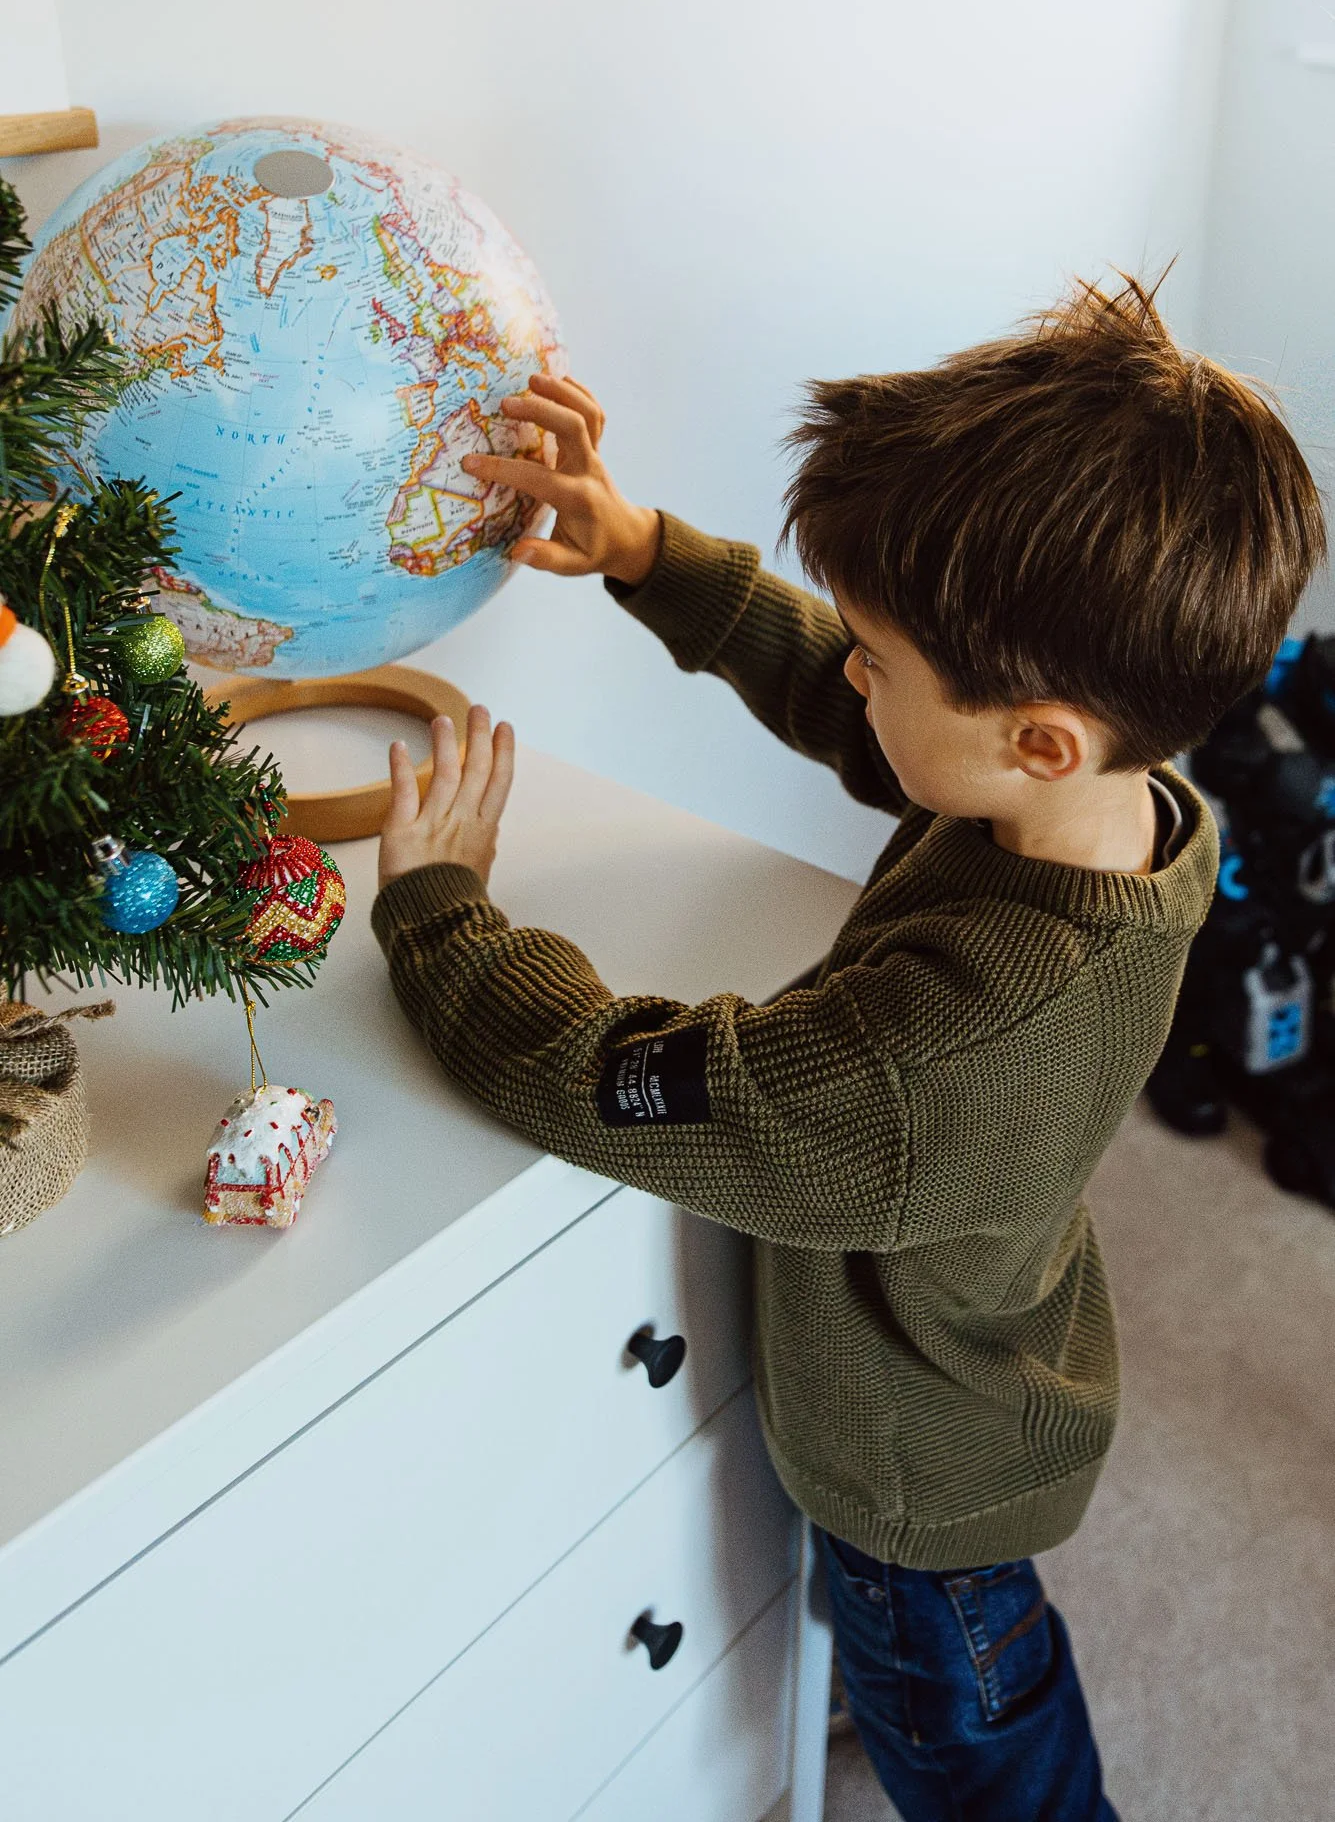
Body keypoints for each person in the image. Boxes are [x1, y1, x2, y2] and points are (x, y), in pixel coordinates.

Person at [370, 275, 1326, 1821]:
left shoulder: (921, 1059)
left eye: (882, 657)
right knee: (929, 1677)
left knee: (978, 1737)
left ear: (1035, 737)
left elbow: (601, 1076)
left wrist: (440, 914)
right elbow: (846, 699)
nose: (853, 672)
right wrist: (646, 555)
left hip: (915, 1486)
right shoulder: (1130, 806)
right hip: (985, 1340)